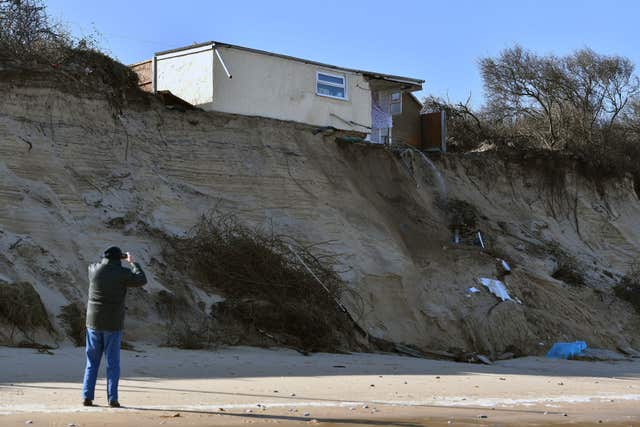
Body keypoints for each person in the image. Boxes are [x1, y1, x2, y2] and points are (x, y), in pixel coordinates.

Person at [82, 246, 147, 408]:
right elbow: (141, 279)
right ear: (119, 259)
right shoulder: (122, 274)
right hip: (112, 323)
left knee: (92, 362)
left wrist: (112, 259)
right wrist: (133, 262)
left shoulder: (93, 270)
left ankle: (87, 396)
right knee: (112, 363)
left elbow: (96, 264)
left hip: (93, 322)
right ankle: (112, 399)